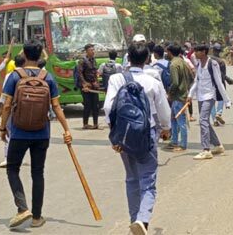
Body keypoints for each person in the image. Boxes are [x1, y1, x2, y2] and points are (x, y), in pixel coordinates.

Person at [0, 39, 72, 228]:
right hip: (42, 133)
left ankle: (23, 208)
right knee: (37, 172)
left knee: (12, 169)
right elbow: (56, 106)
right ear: (40, 55)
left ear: (23, 53)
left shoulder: (15, 76)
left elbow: (7, 105)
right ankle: (37, 217)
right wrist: (66, 129)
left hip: (19, 132)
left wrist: (2, 127)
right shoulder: (48, 77)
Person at [104, 43, 171, 235]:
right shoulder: (153, 82)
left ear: (128, 58)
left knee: (131, 178)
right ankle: (143, 220)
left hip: (123, 136)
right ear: (147, 59)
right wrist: (166, 130)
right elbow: (164, 113)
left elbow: (108, 108)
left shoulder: (117, 79)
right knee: (148, 180)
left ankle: (134, 219)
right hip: (146, 134)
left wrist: (115, 136)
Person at [186, 44, 230, 160]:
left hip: (210, 96)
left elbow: (219, 82)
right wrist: (190, 95)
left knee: (202, 120)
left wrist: (227, 100)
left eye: (198, 51)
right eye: (195, 51)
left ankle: (206, 150)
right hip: (200, 96)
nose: (195, 53)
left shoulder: (213, 64)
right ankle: (218, 145)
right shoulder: (199, 64)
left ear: (204, 52)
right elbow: (196, 81)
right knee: (205, 121)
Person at [166, 44, 193, 151]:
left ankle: (183, 144)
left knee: (181, 121)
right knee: (173, 119)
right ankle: (174, 141)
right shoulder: (183, 62)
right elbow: (192, 77)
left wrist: (170, 93)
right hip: (183, 94)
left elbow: (175, 82)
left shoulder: (173, 65)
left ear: (170, 52)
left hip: (178, 97)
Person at [209, 43, 233, 126]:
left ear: (213, 50)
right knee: (221, 99)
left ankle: (214, 119)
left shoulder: (208, 60)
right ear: (220, 51)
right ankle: (219, 113)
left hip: (210, 83)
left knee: (212, 101)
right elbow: (222, 75)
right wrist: (228, 80)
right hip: (220, 83)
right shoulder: (221, 62)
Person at [77, 43, 100, 129]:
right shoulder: (82, 61)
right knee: (88, 105)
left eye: (94, 50)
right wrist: (84, 84)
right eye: (91, 50)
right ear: (86, 51)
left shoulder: (94, 60)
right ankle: (85, 124)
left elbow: (95, 72)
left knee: (96, 105)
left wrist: (96, 82)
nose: (93, 51)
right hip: (86, 87)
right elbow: (79, 73)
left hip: (94, 87)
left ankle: (95, 124)